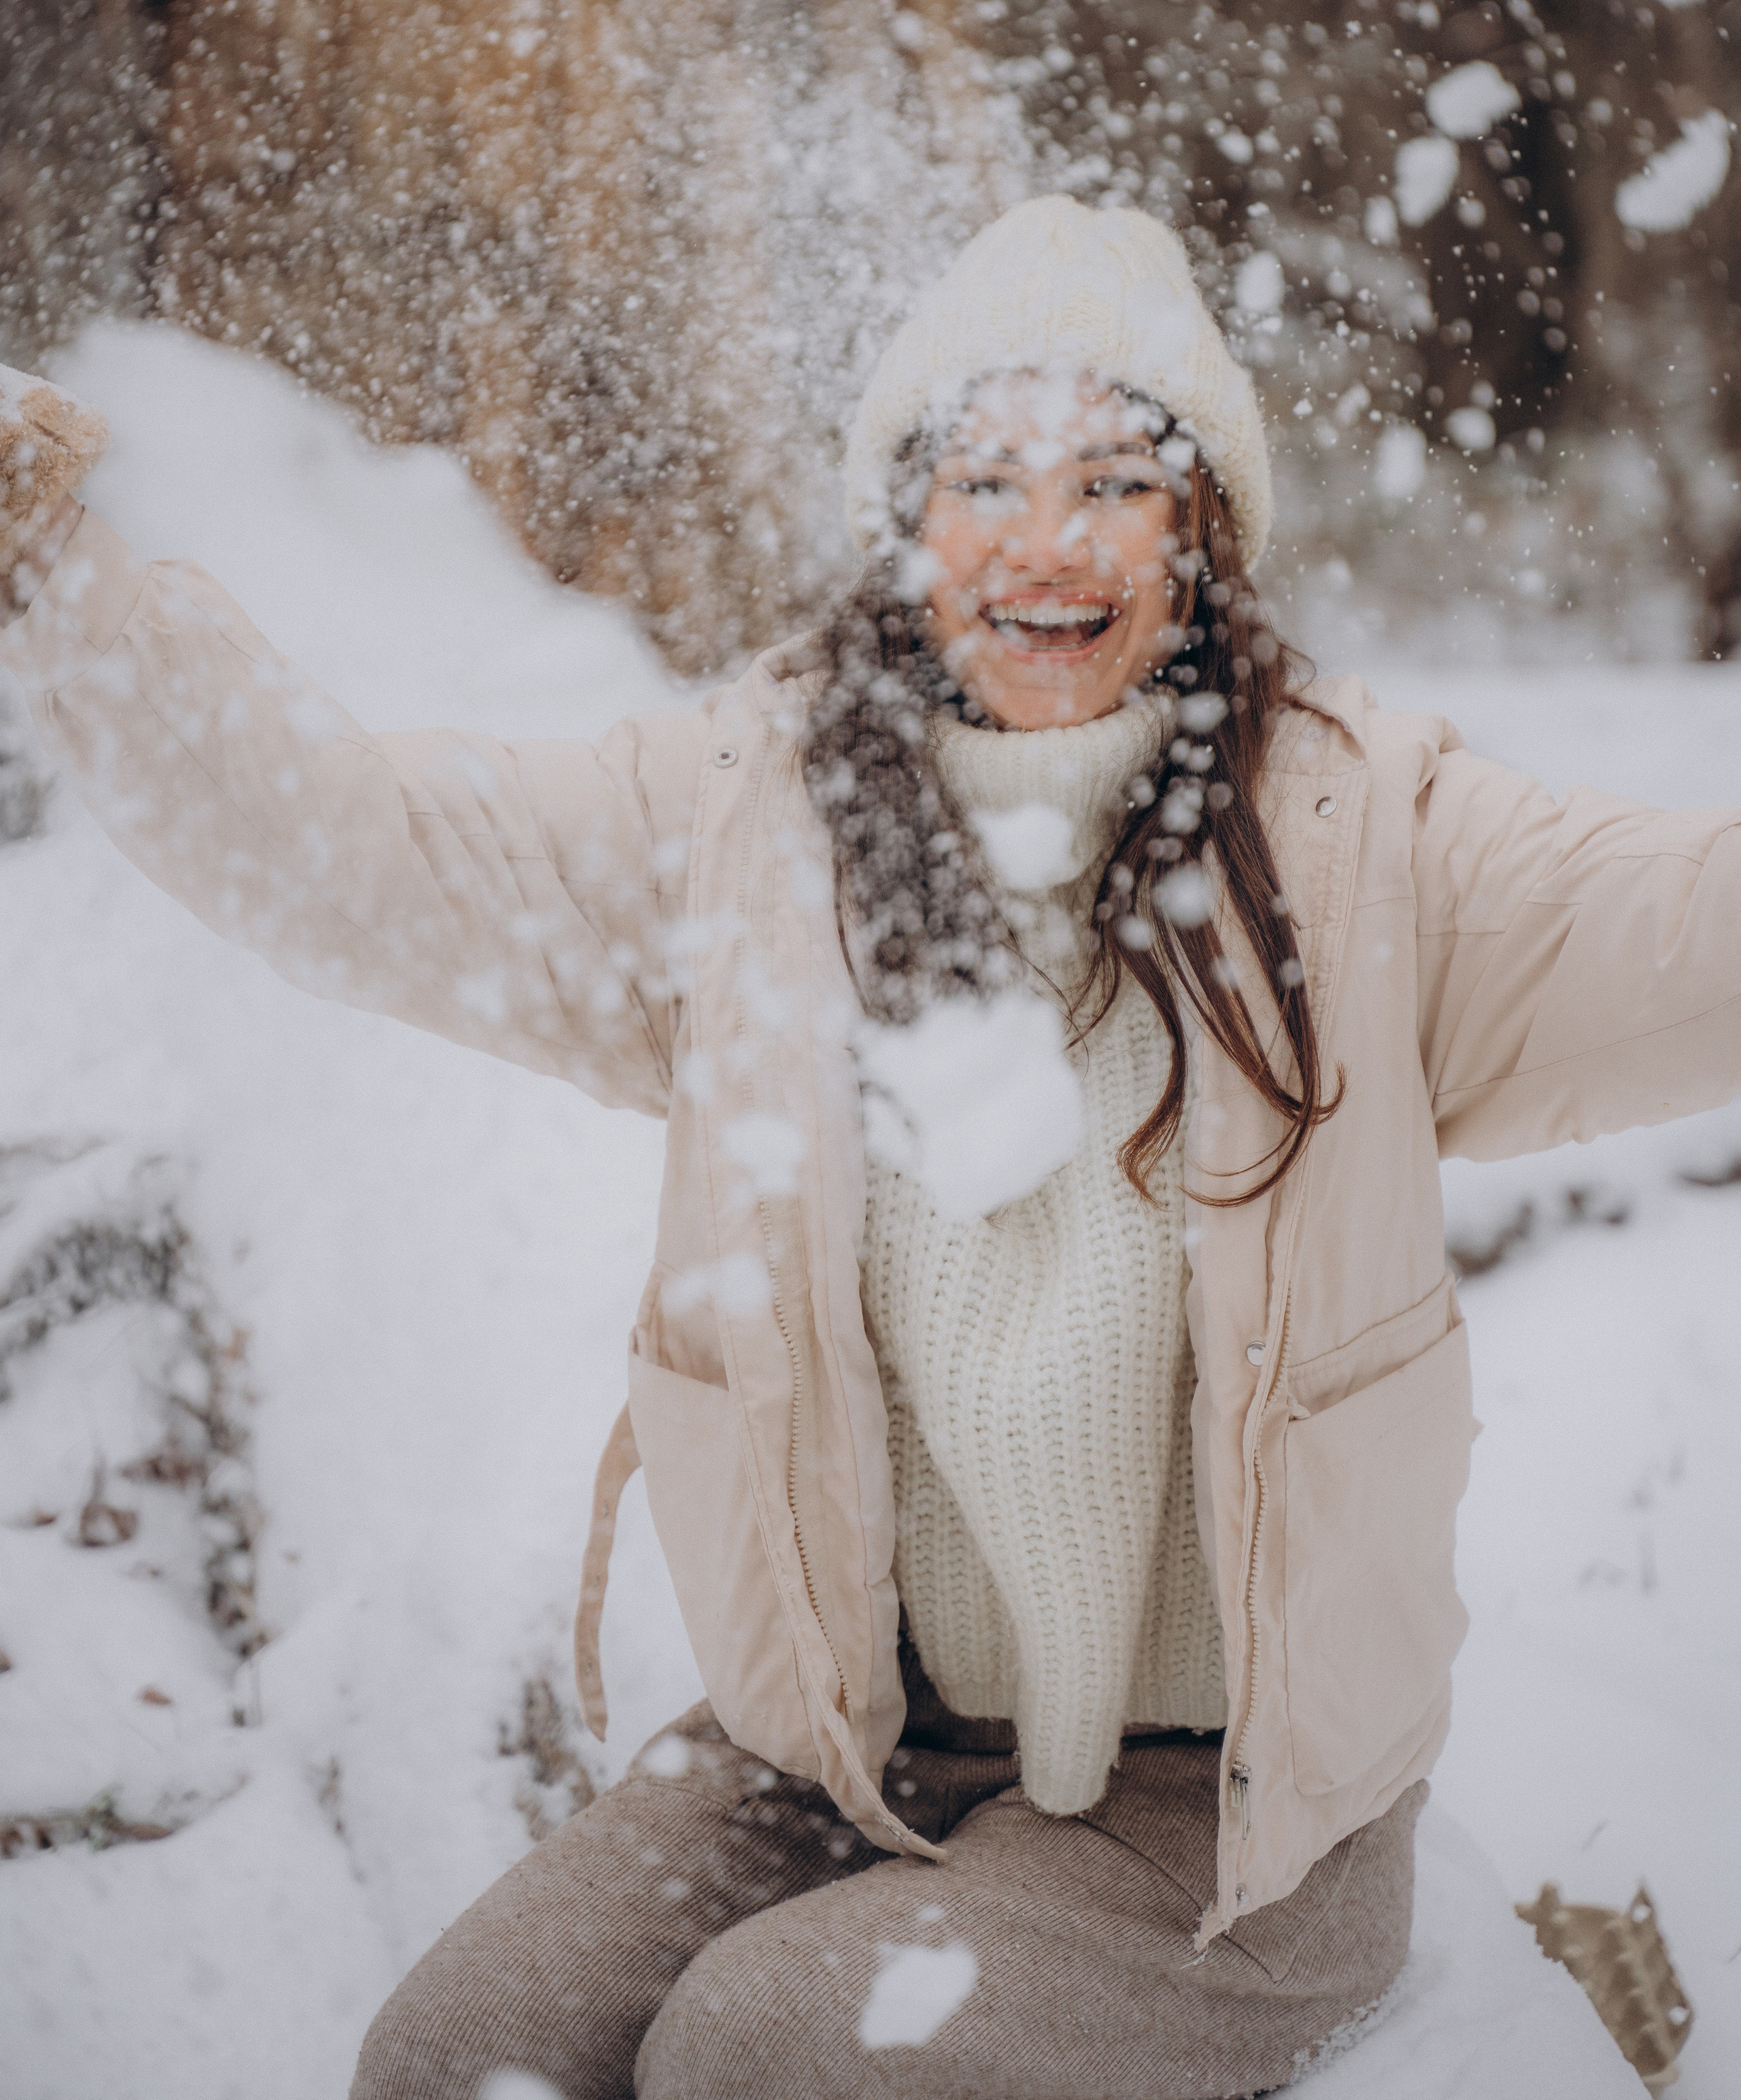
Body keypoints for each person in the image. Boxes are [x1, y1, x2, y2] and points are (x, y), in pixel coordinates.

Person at [3, 197, 1738, 2100]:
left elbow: (1692, 932)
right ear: (909, 526)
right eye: (983, 481)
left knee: (770, 2052)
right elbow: (357, 849)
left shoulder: (1364, 841)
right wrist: (49, 563)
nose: (1045, 543)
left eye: (1113, 484)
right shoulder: (750, 820)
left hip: (1228, 1818)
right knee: (460, 2055)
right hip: (842, 1750)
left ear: (1202, 530)